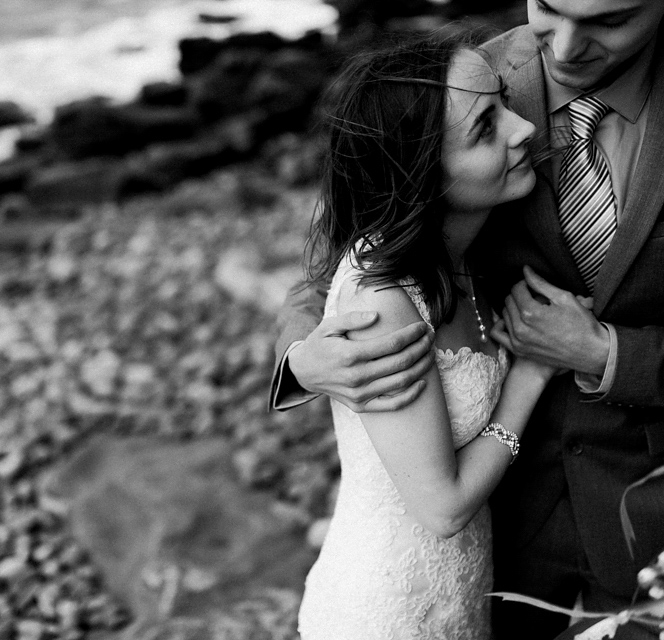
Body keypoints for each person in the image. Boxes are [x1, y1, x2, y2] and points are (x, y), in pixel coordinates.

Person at [274, 1, 664, 638]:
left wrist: (608, 355)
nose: (564, 48)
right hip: (498, 538)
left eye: (608, 19)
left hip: (646, 517)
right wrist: (303, 361)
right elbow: (335, 264)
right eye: (549, 7)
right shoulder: (462, 83)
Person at [294, 33, 550, 640]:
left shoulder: (461, 248)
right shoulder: (383, 303)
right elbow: (442, 507)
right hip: (387, 612)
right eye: (487, 128)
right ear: (422, 175)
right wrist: (530, 377)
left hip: (457, 595)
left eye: (504, 104)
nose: (524, 130)